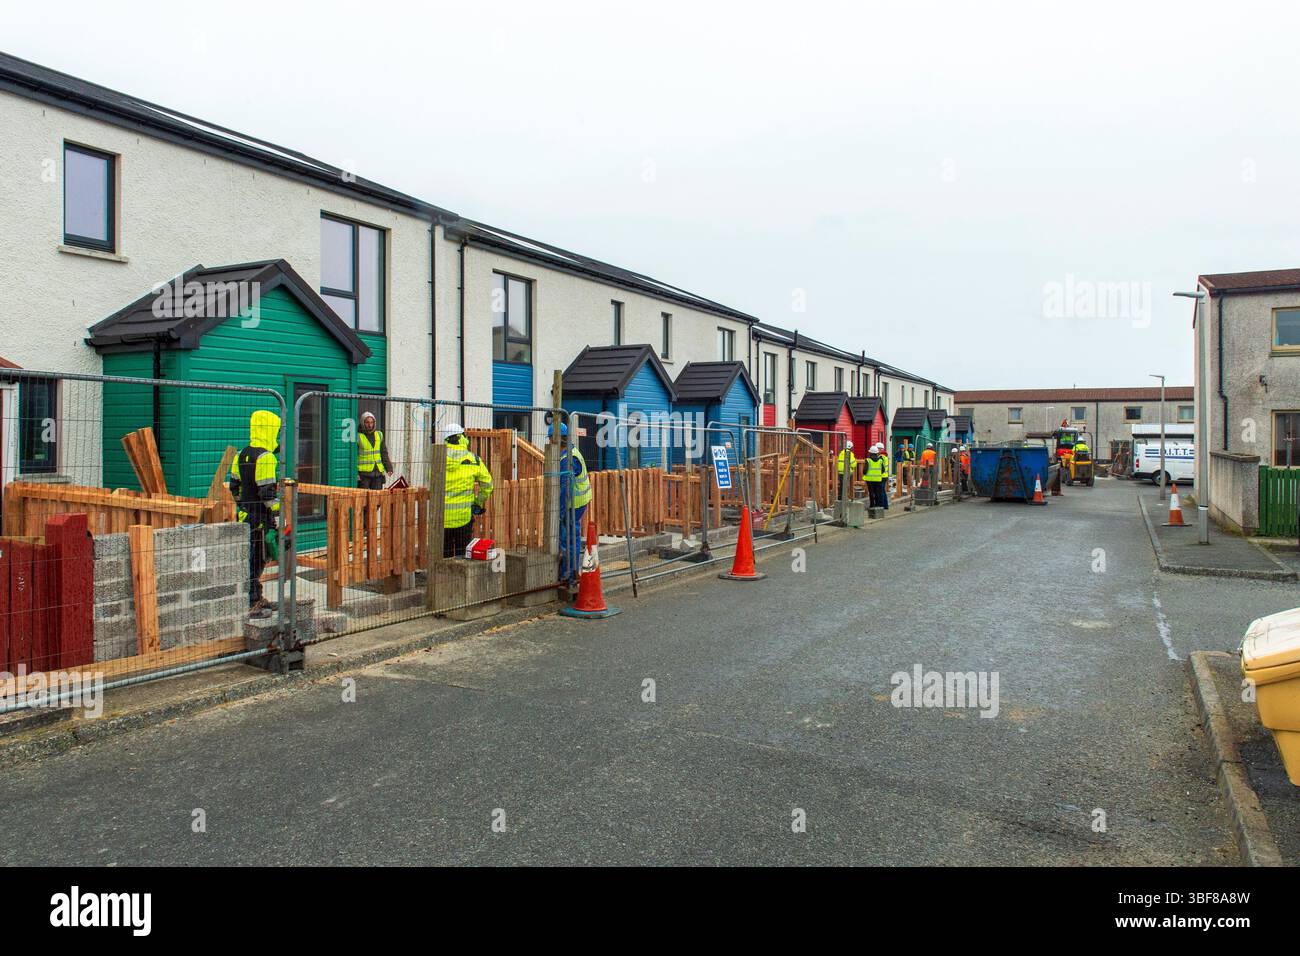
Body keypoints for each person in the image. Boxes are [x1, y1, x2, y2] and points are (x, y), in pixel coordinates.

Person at [228, 409, 282, 615]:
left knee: (248, 557)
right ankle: (252, 601)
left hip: (245, 517)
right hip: (260, 519)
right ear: (270, 430)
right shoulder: (267, 458)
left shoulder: (241, 454)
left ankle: (255, 596)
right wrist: (279, 514)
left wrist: (243, 507)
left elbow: (235, 486)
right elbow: (267, 493)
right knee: (257, 559)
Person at [442, 423, 493, 558]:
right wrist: (478, 502)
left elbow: (432, 480)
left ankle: (442, 579)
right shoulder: (473, 459)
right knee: (462, 556)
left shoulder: (438, 458)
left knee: (443, 557)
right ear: (461, 437)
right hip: (463, 517)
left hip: (442, 518)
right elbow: (487, 485)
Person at [552, 422, 592, 585]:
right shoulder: (571, 452)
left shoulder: (567, 458)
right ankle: (569, 573)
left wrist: (561, 511)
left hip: (574, 504)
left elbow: (565, 488)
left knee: (569, 539)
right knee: (569, 537)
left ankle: (569, 575)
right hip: (578, 501)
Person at [357, 410, 393, 490]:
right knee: (363, 499)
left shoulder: (379, 435)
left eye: (371, 422)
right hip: (363, 474)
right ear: (363, 422)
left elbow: (383, 453)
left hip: (378, 473)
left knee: (376, 499)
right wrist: (356, 473)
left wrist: (389, 468)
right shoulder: (358, 437)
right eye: (367, 422)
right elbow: (354, 456)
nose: (370, 425)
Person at [864, 443, 887, 508]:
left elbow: (865, 471)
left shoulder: (868, 460)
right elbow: (883, 470)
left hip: (870, 480)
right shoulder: (880, 461)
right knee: (878, 493)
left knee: (871, 493)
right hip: (878, 479)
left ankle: (872, 505)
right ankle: (878, 505)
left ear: (870, 453)